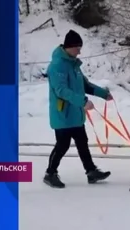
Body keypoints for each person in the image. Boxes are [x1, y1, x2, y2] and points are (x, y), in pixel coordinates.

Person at [44, 30, 113, 188]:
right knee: (63, 145)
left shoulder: (74, 65)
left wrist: (104, 94)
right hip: (63, 114)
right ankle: (50, 173)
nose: (80, 51)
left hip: (75, 113)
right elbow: (61, 90)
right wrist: (82, 101)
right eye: (77, 48)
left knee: (82, 142)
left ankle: (91, 171)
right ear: (69, 47)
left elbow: (85, 85)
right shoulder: (57, 66)